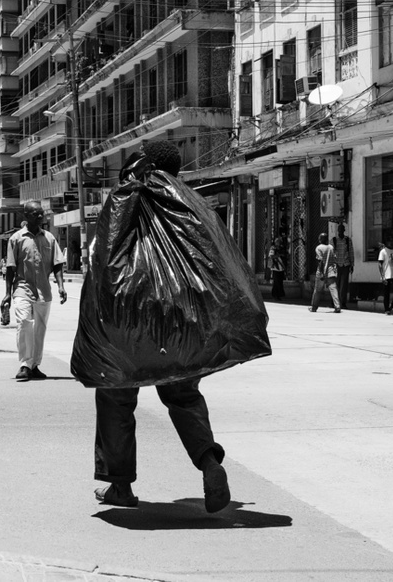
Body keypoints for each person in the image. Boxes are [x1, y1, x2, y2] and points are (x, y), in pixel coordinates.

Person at [84, 142, 254, 513]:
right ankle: (210, 462)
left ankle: (120, 486)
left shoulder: (127, 196)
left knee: (115, 396)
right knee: (183, 394)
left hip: (130, 321)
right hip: (182, 322)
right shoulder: (191, 203)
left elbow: (103, 260)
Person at [1, 200, 66, 381]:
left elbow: (58, 264)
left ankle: (35, 365)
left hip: (44, 291)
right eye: (36, 213)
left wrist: (61, 286)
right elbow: (10, 268)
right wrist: (7, 293)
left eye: (41, 213)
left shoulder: (49, 238)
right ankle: (24, 364)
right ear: (26, 216)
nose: (40, 216)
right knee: (24, 323)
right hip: (22, 288)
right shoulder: (16, 239)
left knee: (40, 329)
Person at [308, 233, 341, 313]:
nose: (318, 238)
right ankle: (337, 306)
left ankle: (314, 307)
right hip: (331, 271)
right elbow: (334, 259)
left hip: (321, 271)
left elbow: (320, 261)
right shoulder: (331, 247)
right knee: (333, 289)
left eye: (320, 237)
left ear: (322, 239)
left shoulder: (318, 248)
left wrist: (322, 273)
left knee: (317, 290)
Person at [332, 223, 355, 309]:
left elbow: (351, 253)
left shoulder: (348, 240)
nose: (341, 231)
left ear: (344, 230)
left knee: (344, 285)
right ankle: (334, 302)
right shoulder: (334, 240)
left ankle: (343, 302)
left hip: (345, 265)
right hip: (337, 265)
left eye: (342, 229)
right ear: (338, 230)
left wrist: (352, 264)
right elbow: (331, 253)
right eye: (339, 229)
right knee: (336, 285)